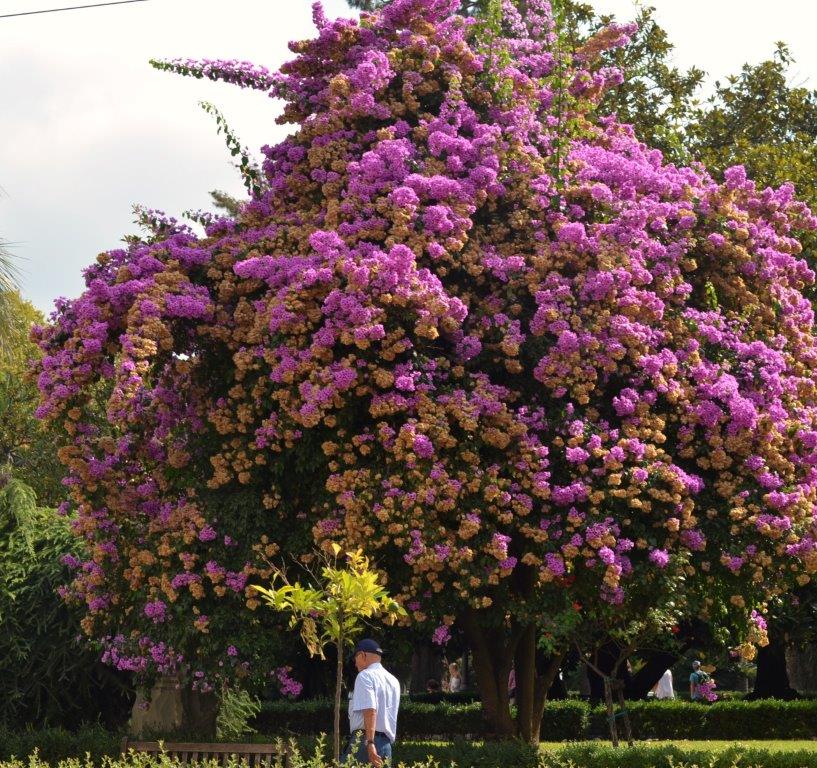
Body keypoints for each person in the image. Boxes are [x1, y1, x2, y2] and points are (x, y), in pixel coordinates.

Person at [343, 638, 401, 767]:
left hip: (365, 742)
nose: (355, 664)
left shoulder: (365, 676)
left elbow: (370, 710)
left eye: (355, 658)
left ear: (362, 655)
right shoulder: (394, 681)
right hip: (386, 745)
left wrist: (370, 743)